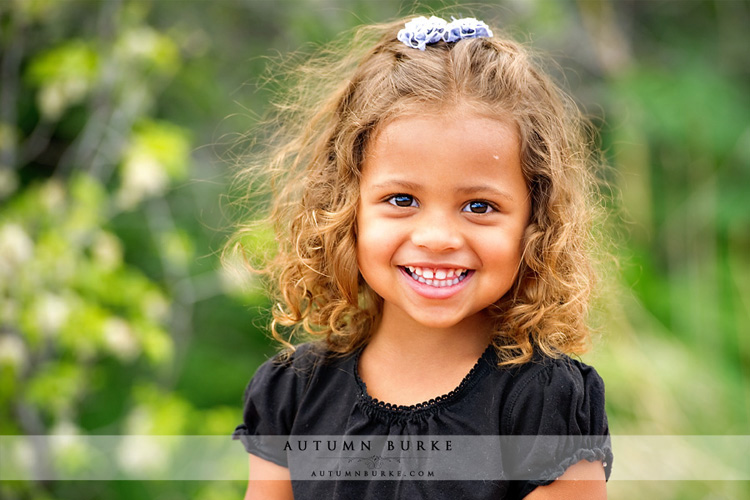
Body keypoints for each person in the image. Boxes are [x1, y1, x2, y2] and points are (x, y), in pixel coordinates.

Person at [230, 14, 613, 500]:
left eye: (479, 206)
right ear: (346, 207)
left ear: (535, 224)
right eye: (402, 200)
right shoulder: (293, 393)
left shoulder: (542, 401)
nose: (436, 237)